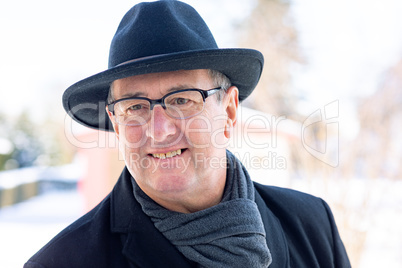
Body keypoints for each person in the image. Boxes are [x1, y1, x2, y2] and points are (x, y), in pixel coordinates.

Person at [25, 1, 350, 267]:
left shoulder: (312, 226)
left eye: (182, 100)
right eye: (135, 107)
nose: (160, 130)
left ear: (229, 111)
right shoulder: (63, 262)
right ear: (116, 123)